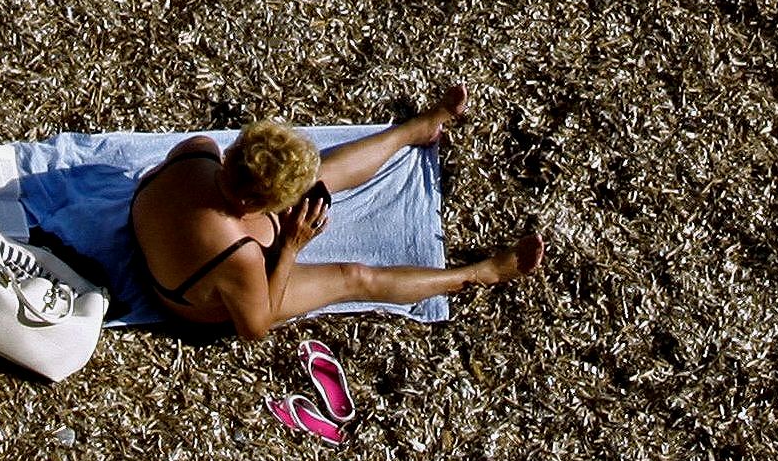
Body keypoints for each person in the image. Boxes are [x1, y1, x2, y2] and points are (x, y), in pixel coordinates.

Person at [127, 84, 542, 340]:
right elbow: (254, 327)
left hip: (169, 245)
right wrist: (290, 246)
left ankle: (414, 131)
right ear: (254, 204)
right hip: (193, 299)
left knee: (319, 177)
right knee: (354, 277)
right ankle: (478, 273)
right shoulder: (241, 254)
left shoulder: (198, 152)